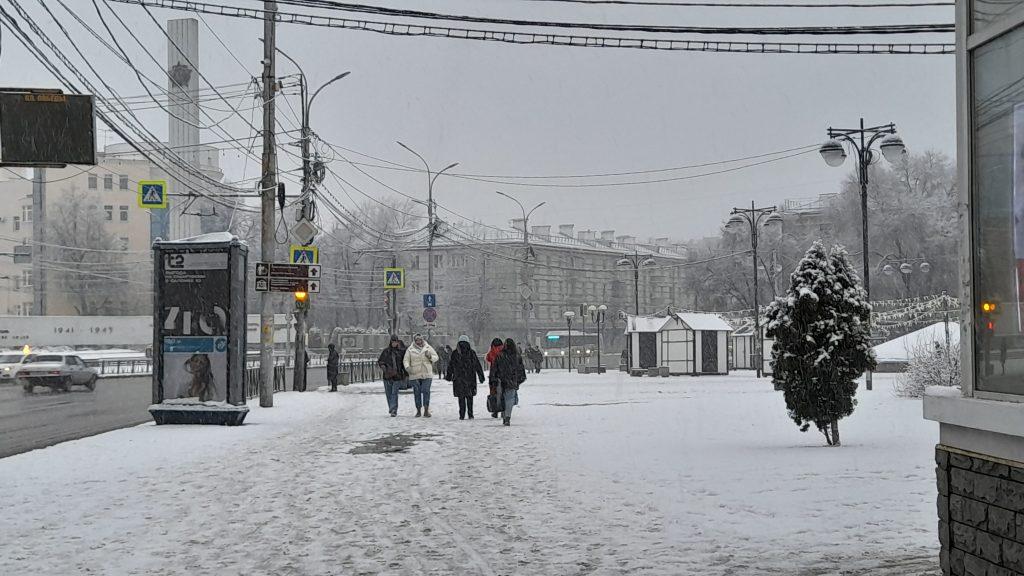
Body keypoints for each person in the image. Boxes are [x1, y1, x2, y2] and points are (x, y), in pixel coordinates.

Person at [445, 335, 485, 420]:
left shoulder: (455, 353)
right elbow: (478, 365)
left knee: (461, 397)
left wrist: (449, 376)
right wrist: (481, 376)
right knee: (470, 397)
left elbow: (450, 366)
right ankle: (470, 414)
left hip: (459, 378)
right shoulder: (471, 353)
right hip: (470, 378)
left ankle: (462, 414)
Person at [493, 338, 527, 426]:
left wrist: (494, 378)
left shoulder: (500, 355)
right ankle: (507, 416)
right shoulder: (517, 356)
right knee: (510, 399)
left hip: (501, 380)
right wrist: (519, 380)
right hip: (512, 380)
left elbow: (495, 368)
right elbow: (521, 369)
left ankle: (504, 414)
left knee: (502, 398)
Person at [403, 333, 438, 417]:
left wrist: (430, 356)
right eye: (416, 340)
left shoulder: (428, 347)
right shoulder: (410, 349)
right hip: (414, 374)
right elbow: (406, 360)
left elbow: (436, 357)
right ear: (414, 341)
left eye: (420, 339)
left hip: (427, 373)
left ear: (422, 339)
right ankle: (418, 410)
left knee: (426, 391)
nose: (418, 341)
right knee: (417, 392)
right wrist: (408, 368)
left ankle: (426, 410)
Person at [377, 335, 407, 417]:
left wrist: (405, 373)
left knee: (394, 393)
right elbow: (380, 361)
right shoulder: (386, 351)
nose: (394, 343)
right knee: (389, 393)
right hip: (387, 375)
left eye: (395, 342)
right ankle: (391, 406)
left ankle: (393, 409)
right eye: (393, 342)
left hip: (397, 375)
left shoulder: (401, 352)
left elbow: (404, 363)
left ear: (398, 342)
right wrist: (385, 369)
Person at [485, 337, 504, 418]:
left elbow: (487, 359)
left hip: (494, 375)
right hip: (503, 374)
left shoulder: (492, 352)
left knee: (493, 392)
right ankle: (504, 409)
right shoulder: (504, 351)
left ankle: (495, 410)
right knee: (503, 393)